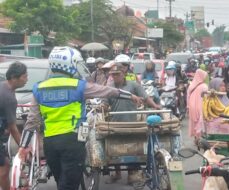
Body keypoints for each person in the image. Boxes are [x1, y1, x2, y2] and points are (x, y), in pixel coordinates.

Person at [18, 46, 142, 190]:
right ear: (70, 65)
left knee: (61, 182)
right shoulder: (78, 86)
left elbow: (32, 120)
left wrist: (23, 146)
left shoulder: (39, 88)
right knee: (69, 185)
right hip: (73, 141)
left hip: (50, 143)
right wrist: (130, 95)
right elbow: (107, 91)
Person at [102, 63, 160, 184]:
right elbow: (105, 103)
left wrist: (155, 106)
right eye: (113, 75)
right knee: (115, 151)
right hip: (115, 124)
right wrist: (103, 106)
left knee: (133, 149)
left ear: (124, 74)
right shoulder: (109, 88)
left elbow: (145, 97)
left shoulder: (133, 85)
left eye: (118, 74)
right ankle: (117, 173)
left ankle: (131, 174)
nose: (115, 77)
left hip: (132, 123)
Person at [0, 61, 27, 190]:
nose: (26, 80)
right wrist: (23, 147)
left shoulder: (3, 87)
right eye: (24, 76)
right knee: (4, 169)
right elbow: (13, 127)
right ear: (14, 78)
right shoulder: (9, 97)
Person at [187, 69, 208, 144]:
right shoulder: (204, 86)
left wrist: (188, 106)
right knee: (200, 120)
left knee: (194, 121)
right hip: (200, 104)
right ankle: (199, 138)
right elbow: (206, 97)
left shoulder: (191, 85)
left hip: (192, 105)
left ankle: (196, 137)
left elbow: (188, 96)